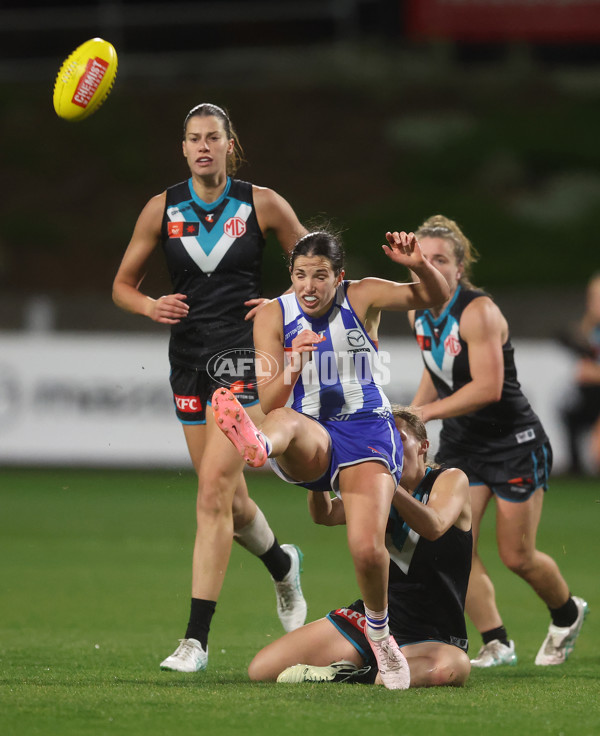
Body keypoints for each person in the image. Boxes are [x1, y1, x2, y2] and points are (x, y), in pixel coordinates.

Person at [112, 102, 309, 673]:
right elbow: (122, 286)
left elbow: (319, 266)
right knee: (228, 496)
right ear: (183, 148)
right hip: (188, 362)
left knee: (211, 495)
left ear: (230, 145)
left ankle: (195, 641)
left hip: (245, 361)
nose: (203, 146)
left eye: (213, 138)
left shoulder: (262, 203)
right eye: (194, 139)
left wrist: (284, 303)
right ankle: (282, 565)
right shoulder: (161, 208)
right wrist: (151, 303)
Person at [211, 228, 450, 689]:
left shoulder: (363, 296)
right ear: (291, 276)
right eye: (300, 275)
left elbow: (434, 295)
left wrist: (418, 263)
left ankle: (380, 635)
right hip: (310, 433)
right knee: (282, 419)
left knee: (365, 548)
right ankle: (257, 445)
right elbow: (271, 394)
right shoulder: (272, 315)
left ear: (339, 276)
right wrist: (294, 362)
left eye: (320, 276)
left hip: (368, 433)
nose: (309, 286)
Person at [407, 214, 589, 668]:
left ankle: (567, 614)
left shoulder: (479, 310)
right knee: (451, 544)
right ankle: (497, 641)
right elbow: (438, 371)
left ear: (459, 267)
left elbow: (488, 387)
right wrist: (410, 416)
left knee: (517, 555)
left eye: (440, 260)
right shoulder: (417, 309)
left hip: (514, 442)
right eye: (421, 259)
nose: (429, 267)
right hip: (463, 444)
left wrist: (424, 413)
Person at [246, 407, 473, 688]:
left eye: (398, 439)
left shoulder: (449, 479)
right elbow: (325, 515)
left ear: (423, 445)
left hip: (431, 634)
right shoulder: (376, 487)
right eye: (384, 440)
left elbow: (434, 525)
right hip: (375, 621)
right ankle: (371, 665)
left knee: (453, 668)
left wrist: (387, 484)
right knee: (261, 669)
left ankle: (348, 674)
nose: (389, 447)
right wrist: (318, 473)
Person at [559, 272, 600, 475]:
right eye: (593, 297)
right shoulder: (588, 329)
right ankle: (575, 467)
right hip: (590, 398)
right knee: (567, 409)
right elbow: (582, 372)